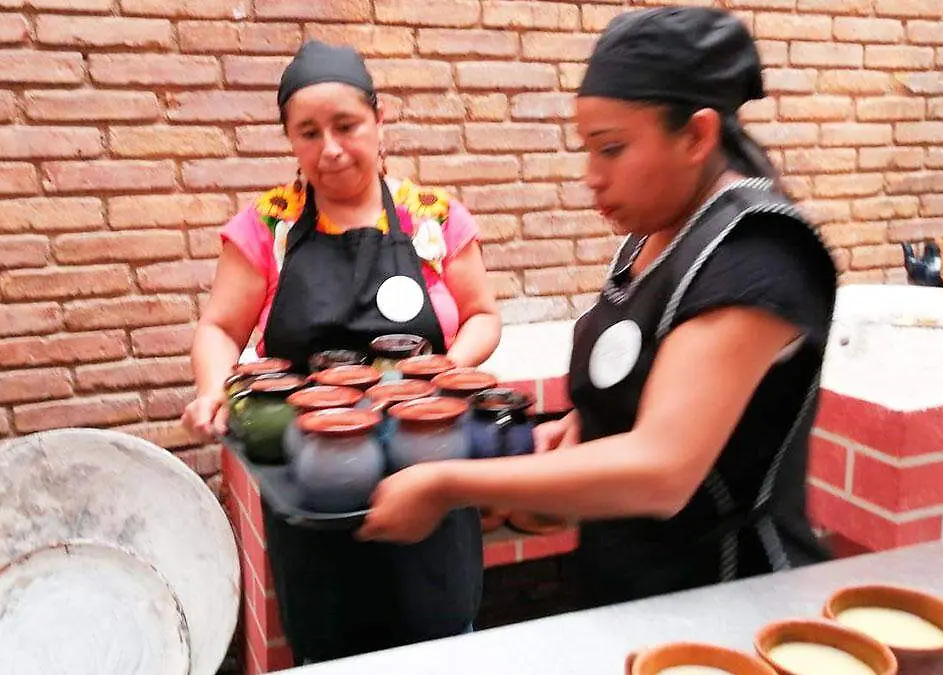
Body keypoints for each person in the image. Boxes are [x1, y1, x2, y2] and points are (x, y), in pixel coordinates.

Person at [358, 7, 839, 610]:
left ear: (697, 136)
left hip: (728, 602)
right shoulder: (653, 235)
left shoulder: (758, 252)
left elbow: (661, 470)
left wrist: (445, 484)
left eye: (611, 149)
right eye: (588, 149)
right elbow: (644, 382)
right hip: (635, 586)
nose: (591, 176)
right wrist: (588, 423)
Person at [180, 40, 500, 663]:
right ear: (290, 140)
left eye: (346, 125)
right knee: (332, 648)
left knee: (441, 643)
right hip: (313, 475)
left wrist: (446, 372)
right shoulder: (267, 225)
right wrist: (214, 387)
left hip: (425, 460)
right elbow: (219, 328)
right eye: (308, 133)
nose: (329, 148)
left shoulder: (433, 218)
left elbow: (483, 315)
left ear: (380, 120)